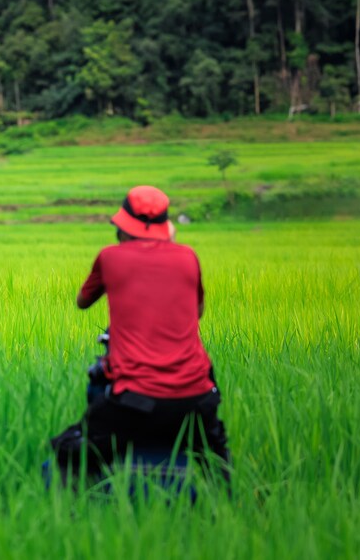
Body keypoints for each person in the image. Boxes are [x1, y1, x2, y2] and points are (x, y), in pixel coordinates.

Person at [50, 185, 230, 486]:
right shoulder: (188, 257)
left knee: (71, 451)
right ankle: (231, 506)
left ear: (123, 226)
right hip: (197, 398)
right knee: (219, 466)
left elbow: (83, 301)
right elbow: (197, 311)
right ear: (166, 228)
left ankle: (78, 511)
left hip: (133, 402)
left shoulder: (110, 257)